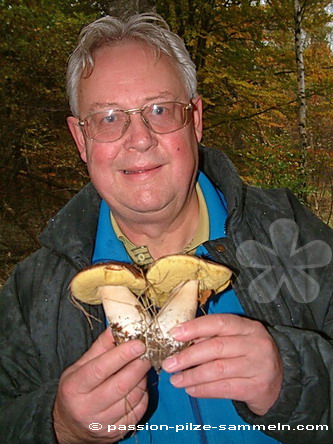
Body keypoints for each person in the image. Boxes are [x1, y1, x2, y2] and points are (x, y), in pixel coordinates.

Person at [0, 12, 332, 444]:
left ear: (194, 119)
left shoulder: (293, 237)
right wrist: (58, 425)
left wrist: (294, 380)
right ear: (81, 140)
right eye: (107, 118)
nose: (139, 138)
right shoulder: (32, 293)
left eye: (159, 110)